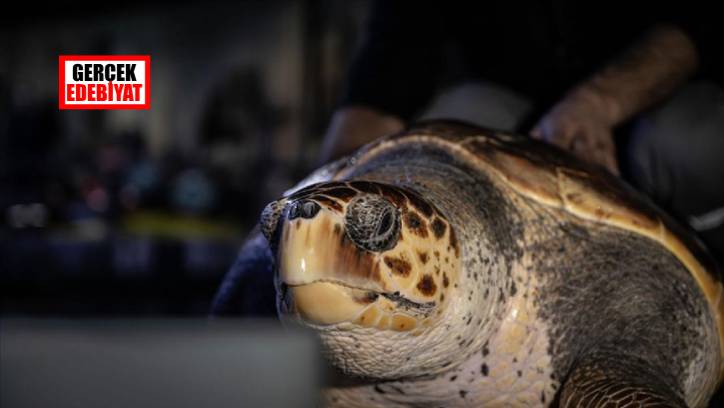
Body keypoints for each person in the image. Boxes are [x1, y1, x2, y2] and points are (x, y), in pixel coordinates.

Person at [319, 0, 724, 263]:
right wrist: (329, 195)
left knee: (690, 140)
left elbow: (696, 22)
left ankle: (704, 267)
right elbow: (384, 74)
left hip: (648, 104)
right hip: (526, 126)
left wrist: (598, 101)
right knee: (448, 125)